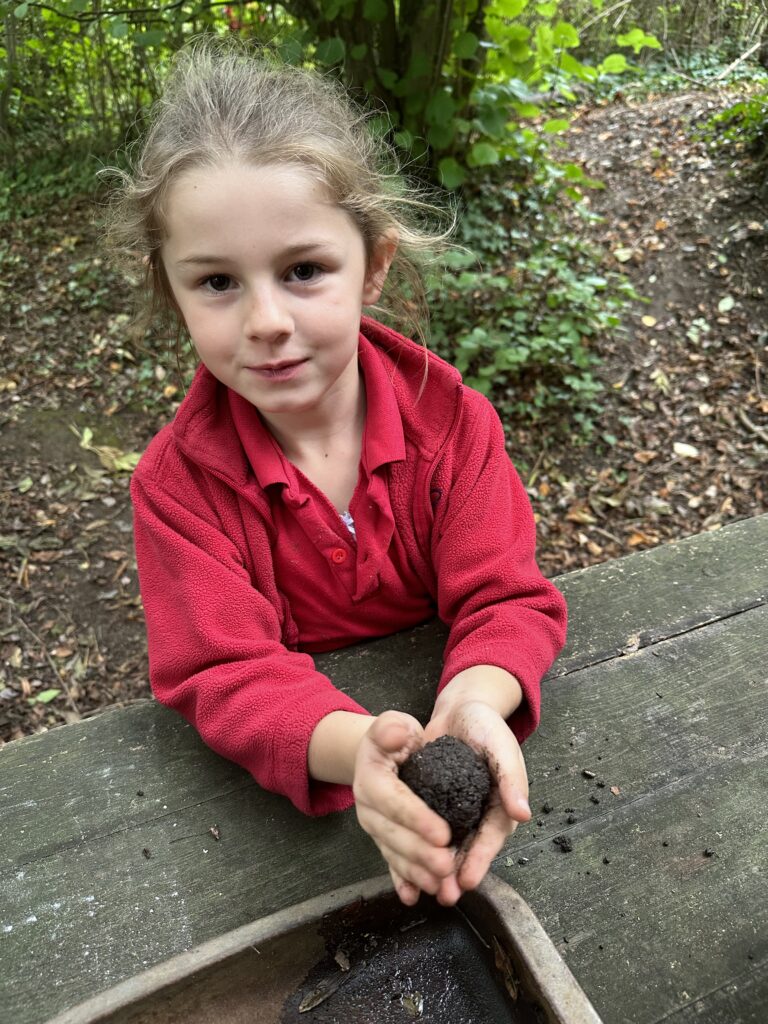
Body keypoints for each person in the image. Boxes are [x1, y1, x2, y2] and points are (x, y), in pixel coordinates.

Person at [105, 38, 567, 909]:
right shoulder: (177, 490)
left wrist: (475, 702)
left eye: (304, 271)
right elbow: (223, 670)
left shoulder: (453, 425)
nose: (267, 320)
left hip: (438, 711)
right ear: (172, 293)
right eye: (216, 283)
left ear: (375, 267)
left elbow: (507, 600)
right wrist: (356, 746)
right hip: (278, 833)